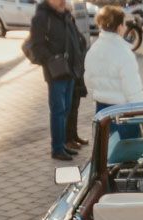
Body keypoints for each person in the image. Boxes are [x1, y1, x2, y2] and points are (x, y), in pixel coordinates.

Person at [31, 0, 86, 160]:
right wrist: (53, 60)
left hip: (70, 71)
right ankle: (57, 149)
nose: (62, 1)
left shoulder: (65, 15)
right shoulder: (41, 17)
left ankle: (62, 145)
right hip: (56, 73)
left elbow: (75, 39)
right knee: (58, 111)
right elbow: (37, 46)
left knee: (66, 110)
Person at [84, 2, 143, 136]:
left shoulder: (93, 49)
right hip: (124, 113)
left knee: (105, 153)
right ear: (119, 27)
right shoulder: (124, 52)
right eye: (124, 24)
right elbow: (133, 90)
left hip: (102, 112)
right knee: (128, 154)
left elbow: (88, 82)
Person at [66, 0, 92, 148]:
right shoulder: (62, 24)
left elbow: (79, 42)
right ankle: (67, 139)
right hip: (69, 71)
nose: (71, 12)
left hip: (77, 70)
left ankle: (74, 136)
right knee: (68, 108)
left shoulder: (71, 22)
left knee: (74, 106)